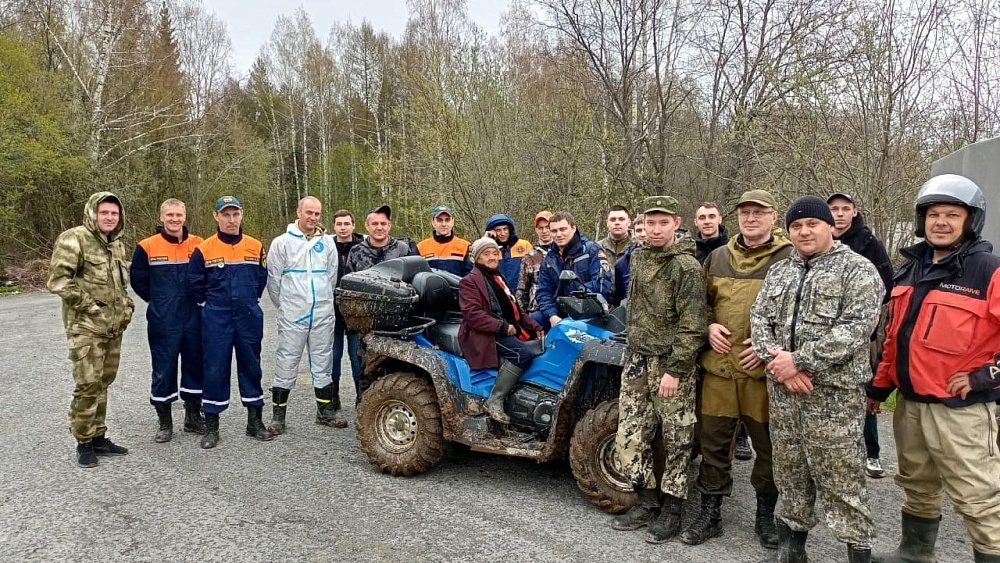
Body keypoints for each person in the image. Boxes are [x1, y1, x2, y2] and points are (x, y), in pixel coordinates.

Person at [868, 174, 1000, 563]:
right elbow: (895, 339)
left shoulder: (988, 270)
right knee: (918, 484)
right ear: (921, 220)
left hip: (961, 411)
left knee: (979, 497)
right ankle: (915, 552)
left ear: (970, 220)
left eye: (952, 214)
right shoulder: (910, 270)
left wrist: (983, 377)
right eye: (934, 214)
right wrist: (878, 390)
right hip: (911, 405)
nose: (941, 222)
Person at [750, 196, 884, 563]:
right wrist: (779, 363)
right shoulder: (781, 271)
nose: (804, 231)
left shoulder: (858, 270)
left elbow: (857, 328)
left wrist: (800, 361)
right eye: (796, 226)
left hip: (833, 398)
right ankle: (792, 548)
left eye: (812, 224)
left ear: (830, 227)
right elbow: (758, 319)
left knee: (841, 479)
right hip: (784, 395)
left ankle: (857, 550)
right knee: (790, 473)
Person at [681, 190, 792, 548]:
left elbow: (798, 319)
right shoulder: (716, 257)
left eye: (759, 212)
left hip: (764, 375)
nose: (751, 218)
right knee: (713, 444)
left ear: (773, 216)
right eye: (745, 212)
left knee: (770, 448)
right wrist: (710, 325)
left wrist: (769, 352)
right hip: (719, 371)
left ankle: (766, 515)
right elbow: (699, 306)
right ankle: (710, 513)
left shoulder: (789, 258)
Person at [611, 196, 707, 544]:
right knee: (631, 434)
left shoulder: (687, 267)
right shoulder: (637, 257)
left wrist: (676, 370)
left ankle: (672, 511)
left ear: (676, 223)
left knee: (677, 439)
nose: (655, 229)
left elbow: (694, 324)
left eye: (662, 222)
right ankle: (646, 500)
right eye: (650, 222)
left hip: (670, 364)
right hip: (637, 359)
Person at [48, 192, 134, 468]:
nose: (109, 218)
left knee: (103, 382)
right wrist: (90, 305)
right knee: (87, 384)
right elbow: (59, 281)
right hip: (85, 327)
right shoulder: (74, 239)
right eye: (104, 213)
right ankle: (83, 442)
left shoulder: (116, 245)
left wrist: (127, 307)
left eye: (114, 213)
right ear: (92, 213)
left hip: (112, 328)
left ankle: (99, 436)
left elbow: (120, 283)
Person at [189, 195, 273, 449]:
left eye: (235, 214)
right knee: (215, 367)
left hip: (248, 314)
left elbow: (261, 278)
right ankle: (212, 426)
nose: (231, 219)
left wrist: (248, 301)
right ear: (216, 216)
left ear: (242, 215)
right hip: (217, 316)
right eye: (226, 214)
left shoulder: (255, 246)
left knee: (251, 365)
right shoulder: (204, 249)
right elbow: (195, 284)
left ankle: (254, 422)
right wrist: (210, 306)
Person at [828, 192, 894, 480]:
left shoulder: (869, 243)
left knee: (863, 391)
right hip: (823, 331)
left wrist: (861, 314)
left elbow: (887, 286)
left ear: (855, 212)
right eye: (834, 209)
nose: (839, 214)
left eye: (845, 209)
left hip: (860, 333)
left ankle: (872, 452)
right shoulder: (819, 239)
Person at [266, 196, 346, 435]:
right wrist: (288, 306)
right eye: (309, 212)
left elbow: (331, 276)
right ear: (298, 212)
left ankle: (325, 412)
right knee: (287, 361)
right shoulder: (281, 243)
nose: (313, 218)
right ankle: (278, 417)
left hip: (322, 312)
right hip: (293, 313)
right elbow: (273, 281)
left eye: (317, 214)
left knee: (323, 360)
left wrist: (321, 301)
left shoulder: (327, 242)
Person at [130, 198, 206, 443]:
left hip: (195, 316)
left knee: (196, 365)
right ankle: (164, 422)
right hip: (164, 319)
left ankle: (193, 416)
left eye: (179, 215)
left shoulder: (199, 244)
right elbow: (138, 281)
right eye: (170, 215)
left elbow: (207, 276)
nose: (175, 219)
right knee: (164, 368)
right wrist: (160, 302)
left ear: (185, 216)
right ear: (162, 217)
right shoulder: (146, 247)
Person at [458, 237, 544, 423]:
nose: (492, 257)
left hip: (505, 328)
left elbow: (515, 310)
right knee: (522, 354)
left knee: (542, 348)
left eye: (494, 253)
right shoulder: (470, 281)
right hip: (484, 333)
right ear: (477, 258)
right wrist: (502, 327)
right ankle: (495, 400)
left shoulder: (498, 277)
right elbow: (472, 315)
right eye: (486, 254)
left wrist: (534, 325)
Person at [533, 212, 613, 329]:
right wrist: (552, 316)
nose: (559, 234)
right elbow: (544, 292)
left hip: (590, 310)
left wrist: (574, 297)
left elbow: (602, 285)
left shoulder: (591, 250)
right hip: (560, 312)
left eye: (563, 229)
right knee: (533, 320)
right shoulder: (549, 260)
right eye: (554, 231)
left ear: (573, 228)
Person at [331, 209, 363, 408]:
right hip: (332, 312)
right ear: (334, 226)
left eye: (346, 223)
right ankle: (332, 397)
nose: (343, 227)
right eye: (339, 224)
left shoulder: (362, 248)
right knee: (333, 357)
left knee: (358, 357)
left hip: (356, 312)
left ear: (353, 225)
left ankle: (362, 396)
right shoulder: (326, 247)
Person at [345, 205, 413, 274]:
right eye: (375, 224)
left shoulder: (402, 249)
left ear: (389, 226)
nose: (379, 228)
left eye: (383, 224)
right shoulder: (356, 251)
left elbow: (412, 277)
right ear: (367, 226)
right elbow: (348, 281)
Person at [417, 205, 471, 277]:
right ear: (433, 222)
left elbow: (471, 276)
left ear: (452, 222)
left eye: (447, 220)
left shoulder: (466, 246)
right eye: (439, 220)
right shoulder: (420, 247)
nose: (444, 224)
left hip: (458, 287)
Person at [483, 214, 534, 291]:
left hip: (521, 294)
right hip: (499, 294)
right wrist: (485, 240)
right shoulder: (488, 249)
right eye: (498, 230)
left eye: (505, 229)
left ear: (510, 230)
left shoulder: (525, 245)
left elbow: (534, 273)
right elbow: (477, 266)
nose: (502, 233)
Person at [516, 211, 553, 313]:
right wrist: (522, 316)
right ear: (536, 230)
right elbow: (522, 289)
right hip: (537, 310)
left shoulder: (563, 252)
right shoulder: (529, 257)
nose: (544, 231)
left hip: (560, 309)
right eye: (540, 228)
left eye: (547, 227)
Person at [612, 213, 645, 305]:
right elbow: (620, 297)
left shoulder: (668, 258)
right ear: (633, 233)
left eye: (646, 230)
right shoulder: (622, 264)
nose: (643, 234)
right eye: (639, 230)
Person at [599, 205, 633, 269]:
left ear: (629, 222)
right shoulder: (597, 248)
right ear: (607, 223)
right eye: (613, 219)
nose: (617, 223)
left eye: (621, 219)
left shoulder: (637, 247)